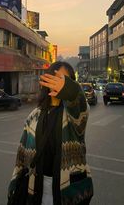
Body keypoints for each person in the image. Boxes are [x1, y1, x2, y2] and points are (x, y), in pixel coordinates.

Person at [8, 61, 93, 205]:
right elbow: (21, 156)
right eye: (56, 78)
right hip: (35, 187)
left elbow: (78, 102)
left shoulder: (75, 115)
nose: (60, 83)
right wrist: (13, 185)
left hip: (68, 191)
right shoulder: (34, 115)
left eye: (65, 80)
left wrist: (71, 91)